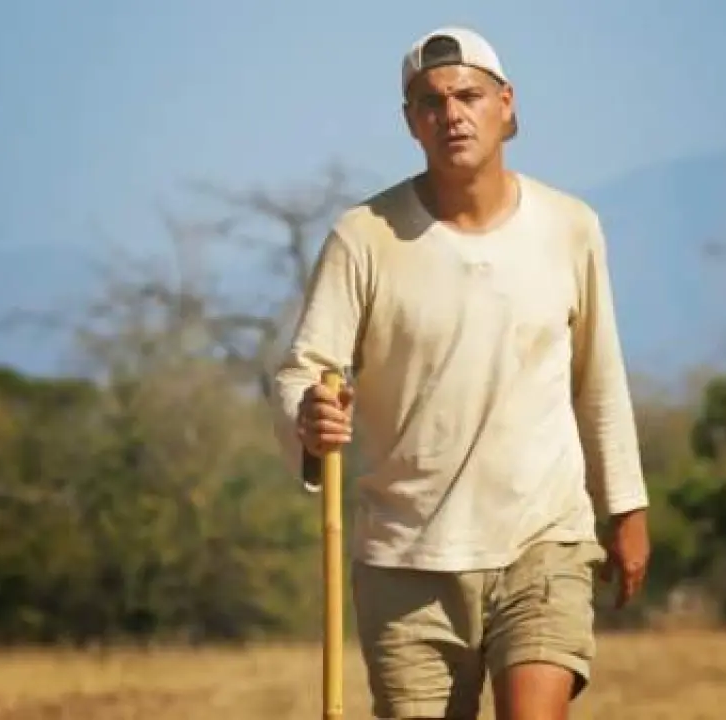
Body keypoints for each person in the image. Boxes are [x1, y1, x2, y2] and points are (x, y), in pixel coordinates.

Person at [270, 25, 651, 720]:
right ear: (411, 123)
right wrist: (308, 417)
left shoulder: (570, 227)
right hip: (406, 558)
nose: (452, 114)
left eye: (469, 96)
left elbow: (599, 378)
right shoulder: (365, 235)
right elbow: (306, 370)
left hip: (543, 538)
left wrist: (625, 508)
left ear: (506, 104)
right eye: (431, 102)